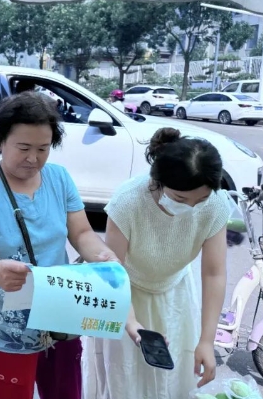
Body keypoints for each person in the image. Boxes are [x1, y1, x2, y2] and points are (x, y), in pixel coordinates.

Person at [0, 91, 119, 399]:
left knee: (64, 392)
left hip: (61, 312)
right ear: (1, 141)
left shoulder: (58, 178)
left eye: (43, 148)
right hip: (8, 328)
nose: (33, 158)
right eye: (24, 147)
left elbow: (81, 232)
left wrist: (102, 255)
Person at [83, 127, 231, 399]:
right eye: (180, 199)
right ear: (158, 182)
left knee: (173, 376)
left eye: (201, 199)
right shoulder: (128, 201)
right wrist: (130, 322)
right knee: (123, 376)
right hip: (125, 293)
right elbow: (112, 272)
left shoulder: (216, 205)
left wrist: (207, 341)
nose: (191, 208)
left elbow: (214, 274)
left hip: (174, 293)